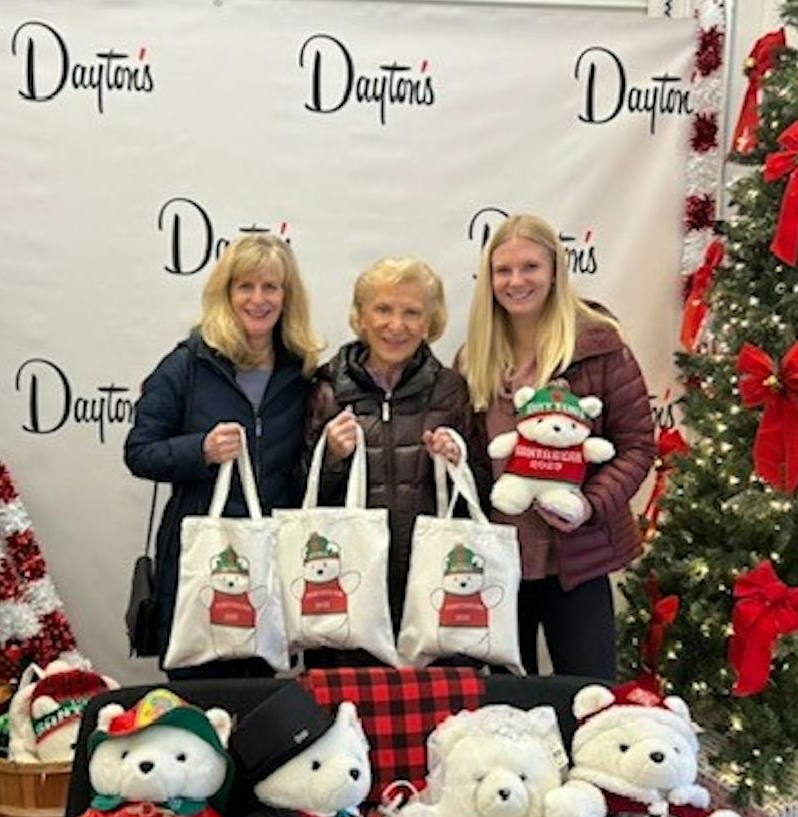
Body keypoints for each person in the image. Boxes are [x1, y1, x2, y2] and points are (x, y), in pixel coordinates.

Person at [459, 214, 656, 679]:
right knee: (510, 709)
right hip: (501, 563)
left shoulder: (599, 347)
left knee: (590, 695)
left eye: (530, 267)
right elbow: (476, 460)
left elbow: (637, 448)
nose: (516, 281)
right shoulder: (475, 358)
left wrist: (589, 505)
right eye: (503, 270)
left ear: (554, 272)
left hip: (578, 557)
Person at [125, 233, 323, 678]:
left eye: (271, 287)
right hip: (199, 561)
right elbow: (139, 452)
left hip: (269, 562)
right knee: (199, 705)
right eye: (245, 287)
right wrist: (200, 449)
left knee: (261, 708)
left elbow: (303, 470)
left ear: (287, 296)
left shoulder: (302, 371)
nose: (258, 299)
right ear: (226, 293)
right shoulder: (187, 365)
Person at [303, 256, 491, 667]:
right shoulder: (326, 386)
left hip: (431, 590)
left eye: (412, 312)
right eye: (383, 309)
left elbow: (484, 491)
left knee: (437, 720)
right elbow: (299, 492)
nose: (396, 325)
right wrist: (334, 456)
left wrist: (457, 461)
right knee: (346, 719)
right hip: (345, 592)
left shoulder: (451, 389)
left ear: (430, 323)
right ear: (361, 318)